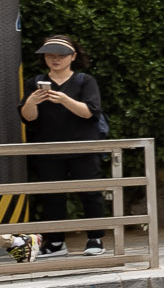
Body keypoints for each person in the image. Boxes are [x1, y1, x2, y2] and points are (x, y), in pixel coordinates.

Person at [21, 35, 106, 256]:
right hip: (48, 147)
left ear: (73, 57)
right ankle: (56, 242)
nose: (55, 59)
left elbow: (89, 112)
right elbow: (28, 117)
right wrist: (31, 101)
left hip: (83, 147)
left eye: (61, 55)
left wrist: (64, 99)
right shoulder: (34, 82)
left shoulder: (84, 81)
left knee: (90, 193)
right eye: (50, 55)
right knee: (51, 196)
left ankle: (95, 239)